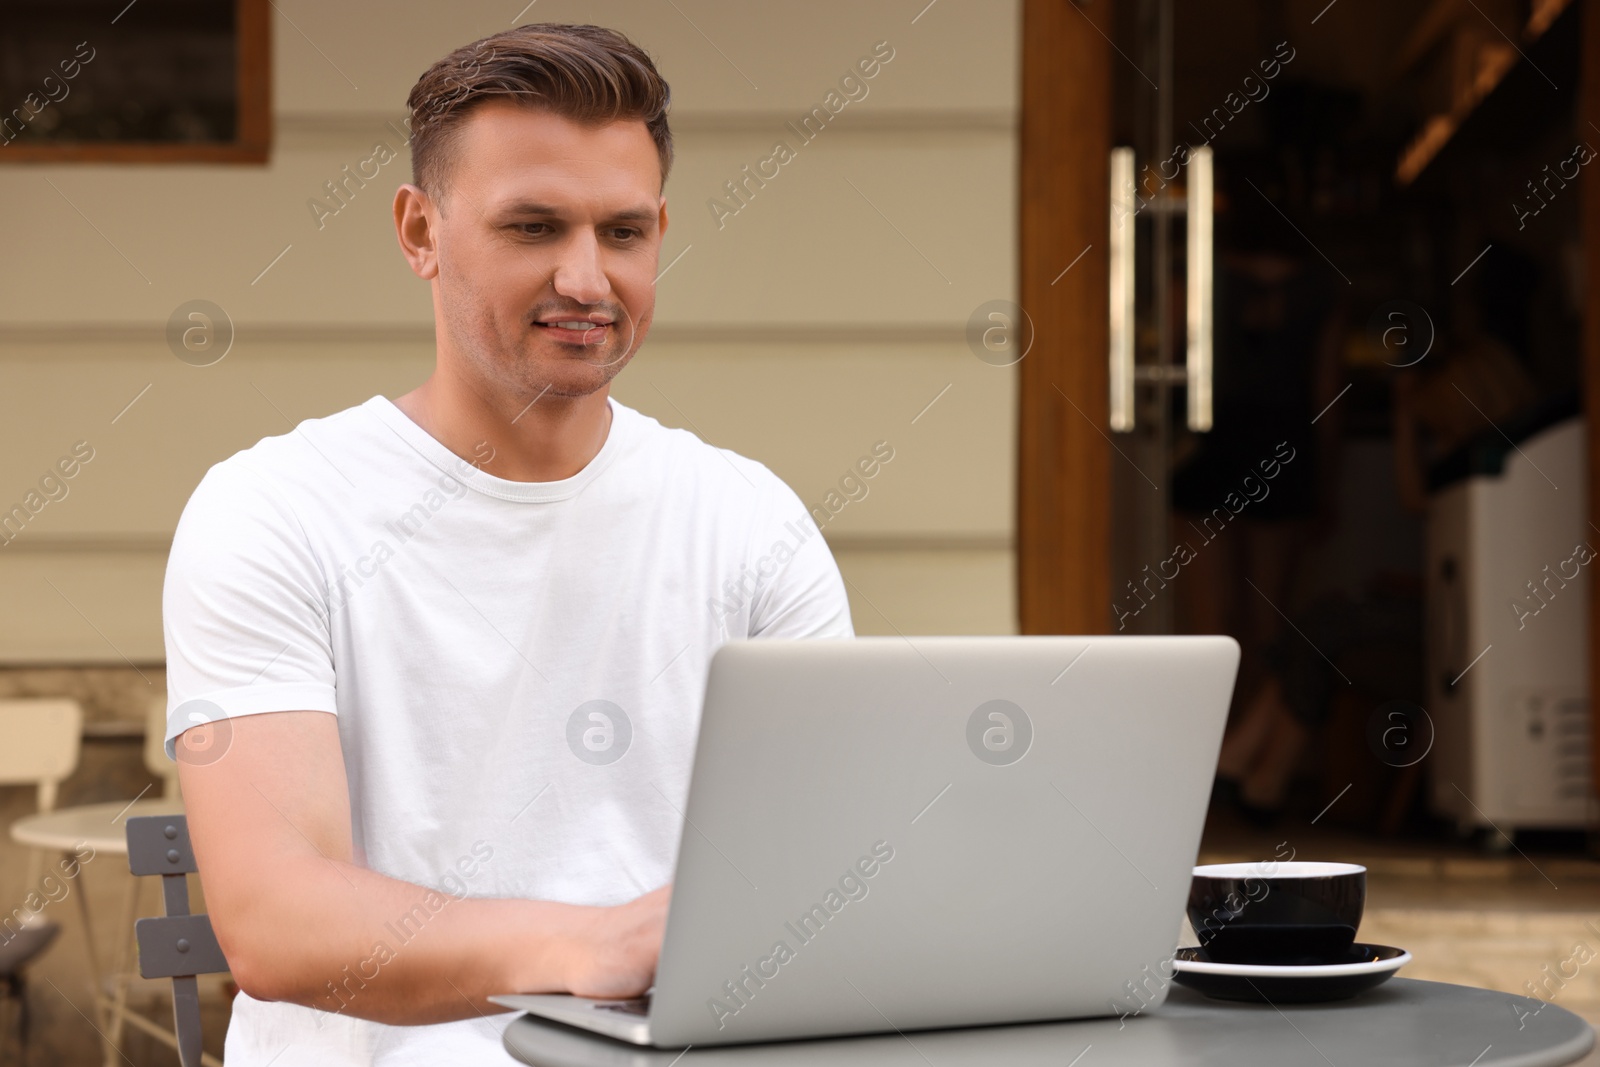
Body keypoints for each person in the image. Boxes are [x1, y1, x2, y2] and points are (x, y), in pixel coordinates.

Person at [162, 24, 853, 1066]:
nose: (586, 278)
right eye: (534, 226)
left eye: (622, 232)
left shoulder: (752, 523)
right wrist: (595, 942)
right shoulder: (273, 510)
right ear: (419, 230)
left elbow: (830, 867)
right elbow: (274, 917)